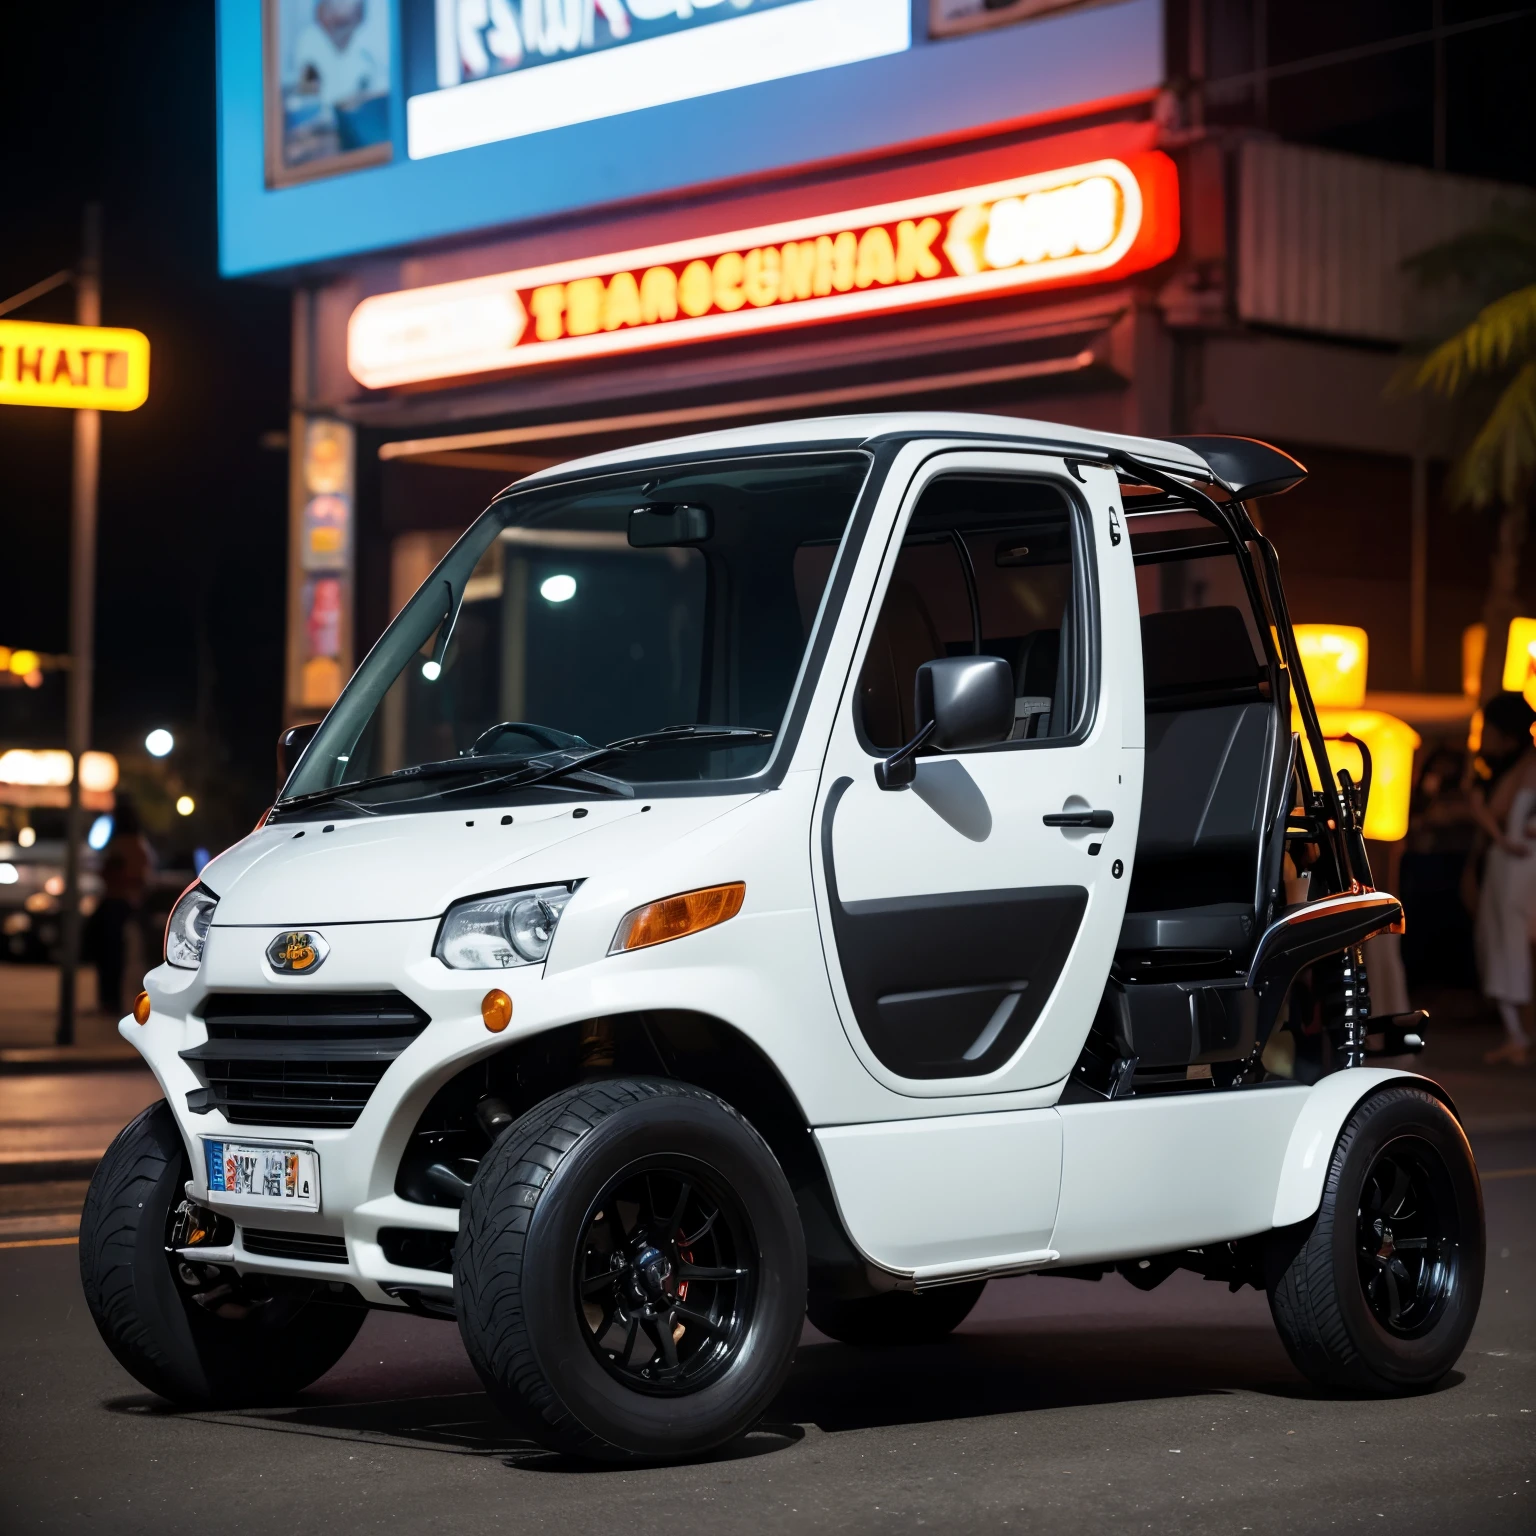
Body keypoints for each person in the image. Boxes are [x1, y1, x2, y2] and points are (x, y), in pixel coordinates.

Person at [1469, 691, 1536, 1066]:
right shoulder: (1513, 765)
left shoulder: (1522, 765)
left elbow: (1497, 812)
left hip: (1516, 868)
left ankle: (1518, 1034)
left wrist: (1489, 822)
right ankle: (1518, 1033)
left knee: (1507, 945)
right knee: (1506, 944)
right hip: (1513, 865)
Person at [96, 799, 155, 1018]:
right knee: (121, 956)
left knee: (112, 955)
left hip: (117, 902)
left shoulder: (121, 844)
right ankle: (117, 1000)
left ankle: (110, 1000)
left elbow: (114, 873)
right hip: (129, 903)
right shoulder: (140, 845)